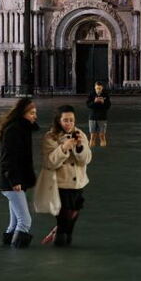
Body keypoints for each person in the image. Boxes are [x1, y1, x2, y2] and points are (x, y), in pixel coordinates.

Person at [40, 105, 91, 247]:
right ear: (58, 121)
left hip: (78, 184)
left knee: (70, 228)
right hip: (60, 186)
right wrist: (63, 148)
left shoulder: (81, 134)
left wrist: (79, 147)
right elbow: (49, 162)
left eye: (71, 120)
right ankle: (58, 247)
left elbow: (86, 160)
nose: (69, 124)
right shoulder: (50, 137)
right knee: (63, 226)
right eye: (65, 120)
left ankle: (61, 239)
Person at [0, 97, 39, 248]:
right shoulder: (13, 130)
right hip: (12, 183)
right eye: (32, 113)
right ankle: (17, 250)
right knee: (25, 221)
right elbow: (8, 159)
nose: (35, 116)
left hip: (13, 181)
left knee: (14, 222)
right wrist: (15, 181)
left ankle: (8, 247)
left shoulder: (21, 129)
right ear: (22, 113)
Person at [86, 81, 111, 147]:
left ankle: (103, 152)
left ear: (102, 88)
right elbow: (88, 105)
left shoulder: (106, 95)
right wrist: (95, 101)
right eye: (97, 88)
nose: (98, 90)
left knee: (102, 136)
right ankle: (91, 153)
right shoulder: (91, 94)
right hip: (92, 117)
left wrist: (103, 102)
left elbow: (108, 106)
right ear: (95, 88)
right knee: (92, 136)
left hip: (102, 118)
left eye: (99, 88)